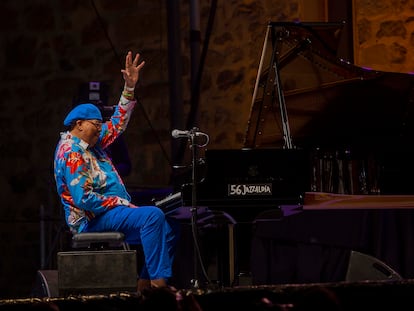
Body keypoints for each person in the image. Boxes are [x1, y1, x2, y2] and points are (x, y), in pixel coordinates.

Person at [53, 51, 179, 290]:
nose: (101, 130)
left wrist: (129, 87)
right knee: (152, 216)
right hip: (91, 220)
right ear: (78, 124)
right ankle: (159, 286)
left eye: (101, 125)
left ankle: (144, 287)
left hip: (107, 214)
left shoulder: (93, 141)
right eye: (96, 125)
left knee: (171, 226)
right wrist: (119, 203)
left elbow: (118, 123)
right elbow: (84, 199)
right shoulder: (71, 151)